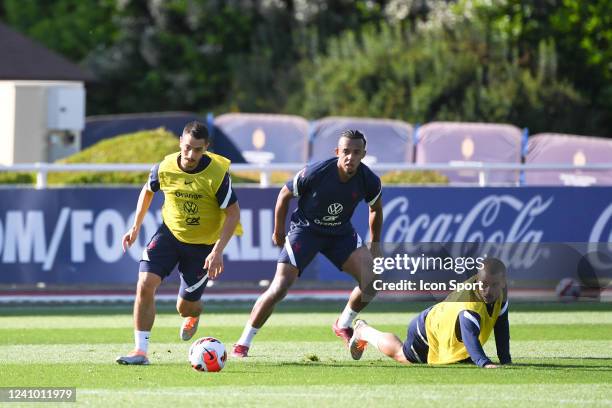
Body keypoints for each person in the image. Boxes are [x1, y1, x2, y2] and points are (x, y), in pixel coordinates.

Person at [232, 129, 383, 357]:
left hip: (340, 233)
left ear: (363, 154)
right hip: (306, 231)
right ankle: (242, 343)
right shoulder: (317, 171)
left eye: (356, 152)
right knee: (279, 287)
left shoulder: (369, 179)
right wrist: (278, 231)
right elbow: (284, 194)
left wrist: (375, 246)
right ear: (337, 152)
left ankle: (343, 324)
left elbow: (375, 210)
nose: (350, 157)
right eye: (345, 152)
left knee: (372, 280)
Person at [116, 121, 241, 365]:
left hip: (203, 246)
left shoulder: (216, 175)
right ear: (180, 144)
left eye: (197, 149)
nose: (190, 154)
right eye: (186, 148)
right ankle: (140, 351)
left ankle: (194, 313)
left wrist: (218, 251)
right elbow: (148, 190)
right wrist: (135, 226)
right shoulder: (165, 168)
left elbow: (233, 214)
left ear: (206, 148)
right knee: (145, 283)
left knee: (184, 308)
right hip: (170, 235)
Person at [349, 257, 511, 368]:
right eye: (484, 285)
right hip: (427, 330)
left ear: (503, 282)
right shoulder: (470, 303)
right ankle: (364, 331)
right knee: (401, 354)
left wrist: (505, 359)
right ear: (477, 280)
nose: (488, 291)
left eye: (494, 285)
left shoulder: (501, 292)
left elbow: (501, 325)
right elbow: (470, 337)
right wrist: (483, 362)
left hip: (443, 324)